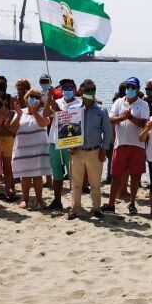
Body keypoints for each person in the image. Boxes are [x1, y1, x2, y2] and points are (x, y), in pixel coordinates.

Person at [67, 79, 113, 220]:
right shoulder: (73, 110)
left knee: (95, 183)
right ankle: (75, 208)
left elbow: (108, 132)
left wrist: (103, 150)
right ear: (81, 91)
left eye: (93, 90)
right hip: (77, 151)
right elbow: (67, 130)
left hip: (95, 151)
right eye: (87, 90)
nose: (90, 93)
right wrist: (69, 145)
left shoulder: (101, 110)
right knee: (76, 183)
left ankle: (96, 208)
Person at [105, 76, 149, 215]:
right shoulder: (118, 102)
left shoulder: (143, 104)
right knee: (116, 175)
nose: (130, 90)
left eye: (133, 87)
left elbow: (144, 123)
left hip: (137, 145)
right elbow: (111, 118)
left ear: (138, 89)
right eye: (128, 87)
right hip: (121, 144)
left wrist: (130, 117)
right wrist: (122, 118)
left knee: (135, 176)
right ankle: (111, 204)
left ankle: (132, 203)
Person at [11, 87, 54, 210]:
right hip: (23, 149)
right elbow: (13, 129)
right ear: (26, 98)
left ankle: (40, 199)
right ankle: (25, 199)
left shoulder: (42, 111)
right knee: (25, 176)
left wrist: (34, 112)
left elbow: (44, 124)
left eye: (36, 97)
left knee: (37, 175)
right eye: (31, 96)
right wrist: (19, 115)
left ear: (40, 100)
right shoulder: (20, 112)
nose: (33, 99)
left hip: (38, 149)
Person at [43, 78, 81, 211]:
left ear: (75, 89)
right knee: (57, 174)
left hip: (70, 143)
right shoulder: (57, 101)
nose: (67, 91)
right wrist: (49, 98)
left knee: (73, 175)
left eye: (70, 88)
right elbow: (46, 114)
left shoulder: (79, 104)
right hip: (54, 141)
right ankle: (57, 200)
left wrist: (58, 110)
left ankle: (74, 203)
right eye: (65, 88)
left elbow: (70, 120)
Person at [0, 89, 17, 202]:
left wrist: (6, 126)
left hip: (9, 141)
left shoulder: (12, 113)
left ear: (5, 101)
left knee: (8, 169)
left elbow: (14, 131)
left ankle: (9, 191)